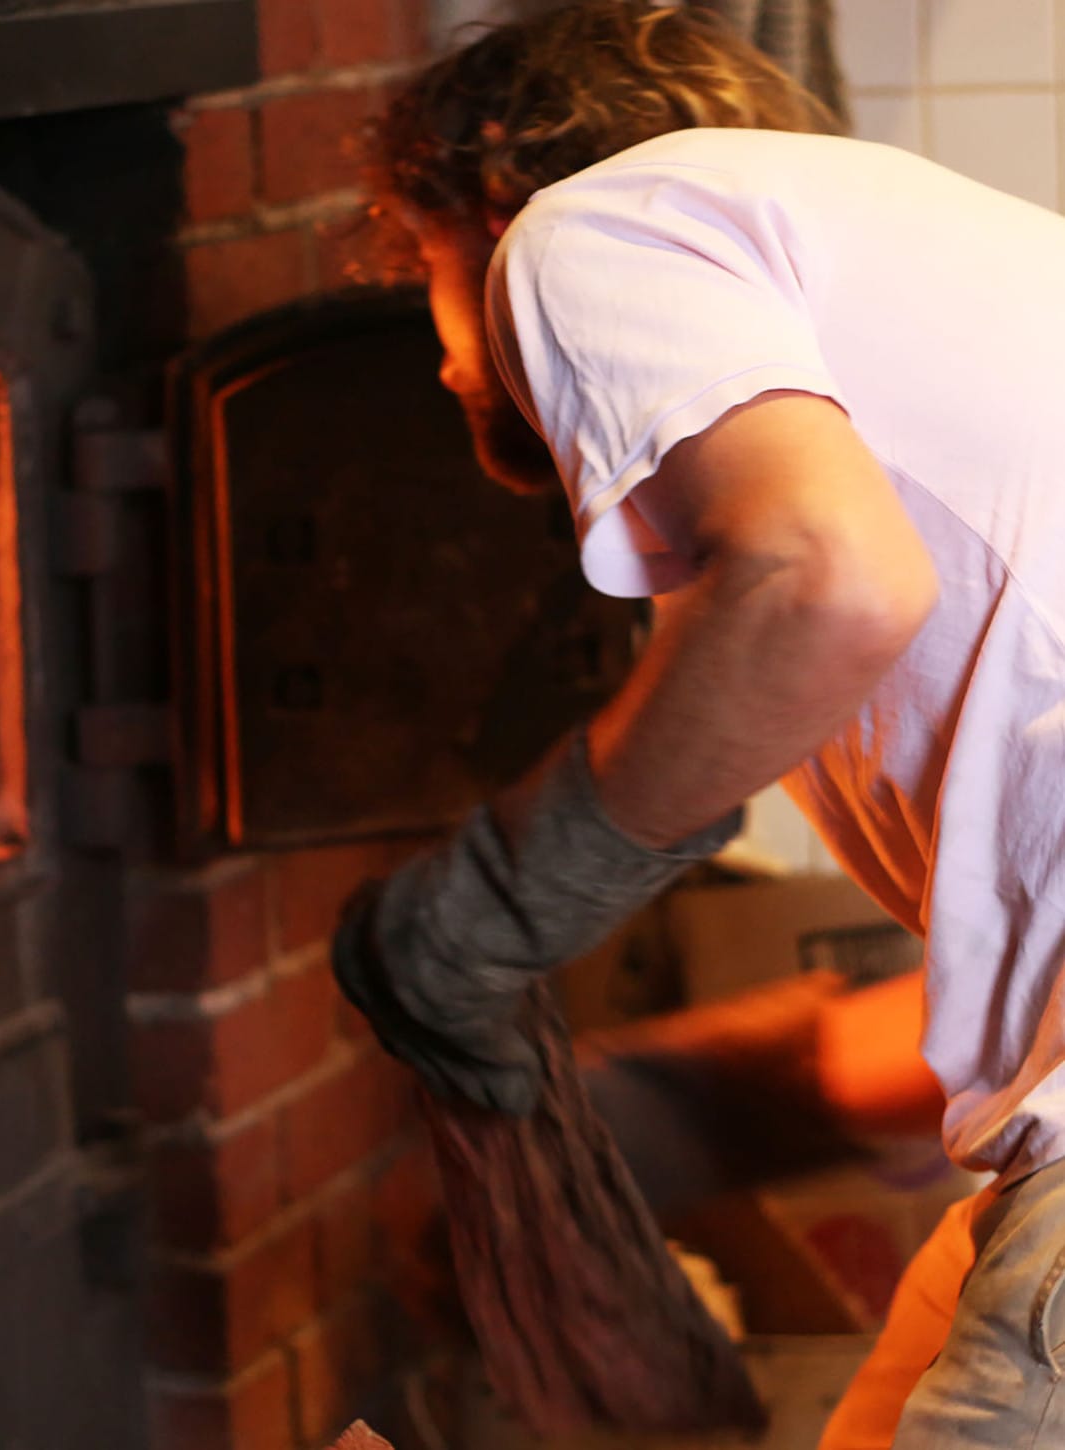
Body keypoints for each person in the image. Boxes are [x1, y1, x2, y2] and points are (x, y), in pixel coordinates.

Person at [328, 3, 1065, 1446]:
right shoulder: (947, 273)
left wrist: (485, 915)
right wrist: (683, 1104)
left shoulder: (591, 225)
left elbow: (823, 577)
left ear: (486, 197)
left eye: (422, 272)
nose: (440, 357)